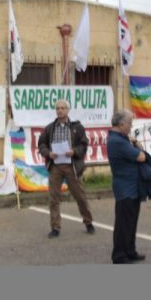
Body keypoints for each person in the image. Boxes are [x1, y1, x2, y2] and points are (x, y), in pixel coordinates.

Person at [37, 99, 94, 238]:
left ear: (68, 110)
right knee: (53, 198)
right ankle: (55, 227)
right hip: (55, 166)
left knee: (80, 196)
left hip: (71, 166)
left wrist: (74, 151)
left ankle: (88, 222)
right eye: (57, 108)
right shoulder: (50, 128)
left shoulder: (77, 127)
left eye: (62, 108)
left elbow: (84, 145)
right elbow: (41, 145)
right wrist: (48, 153)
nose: (60, 110)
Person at [107, 109, 150, 264]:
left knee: (131, 222)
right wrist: (138, 146)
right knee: (123, 224)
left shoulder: (122, 138)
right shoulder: (117, 141)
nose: (131, 126)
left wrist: (134, 143)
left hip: (131, 187)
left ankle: (130, 251)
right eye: (130, 123)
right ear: (122, 124)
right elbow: (141, 157)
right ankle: (119, 255)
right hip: (125, 188)